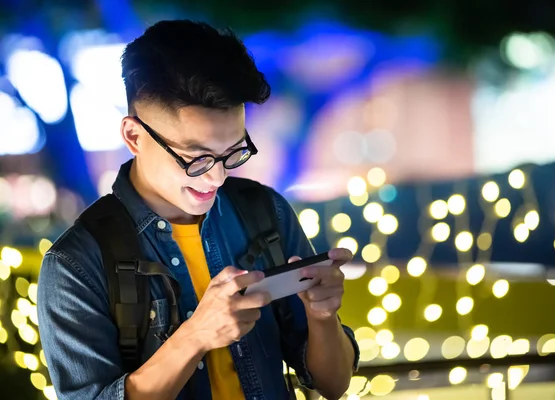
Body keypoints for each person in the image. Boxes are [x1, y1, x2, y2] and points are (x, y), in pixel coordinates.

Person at [37, 19, 359, 400]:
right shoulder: (75, 265)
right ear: (134, 136)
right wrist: (195, 336)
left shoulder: (264, 212)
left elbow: (334, 385)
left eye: (233, 152)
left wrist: (322, 319)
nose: (218, 178)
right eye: (196, 159)